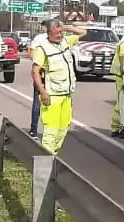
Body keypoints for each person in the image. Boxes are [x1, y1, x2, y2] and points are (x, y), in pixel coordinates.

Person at [31, 19, 87, 154]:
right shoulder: (42, 48)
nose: (60, 36)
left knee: (63, 128)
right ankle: (44, 162)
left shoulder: (65, 42)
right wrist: (43, 92)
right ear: (48, 33)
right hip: (52, 96)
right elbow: (35, 71)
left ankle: (53, 156)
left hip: (66, 95)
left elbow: (83, 32)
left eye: (61, 33)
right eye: (57, 33)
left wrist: (65, 27)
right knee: (51, 130)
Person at [27, 20, 49, 138]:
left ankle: (34, 130)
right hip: (54, 73)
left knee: (37, 101)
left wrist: (38, 60)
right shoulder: (59, 38)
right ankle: (50, 131)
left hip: (40, 72)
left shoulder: (39, 38)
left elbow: (30, 54)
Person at [110, 36, 124, 137]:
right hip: (121, 74)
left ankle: (117, 127)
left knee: (121, 100)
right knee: (121, 101)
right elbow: (122, 57)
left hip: (120, 74)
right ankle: (117, 127)